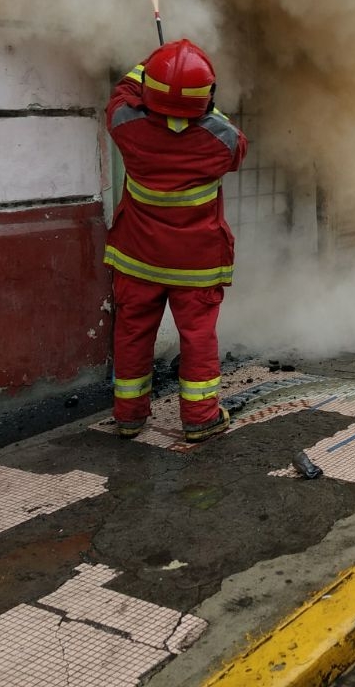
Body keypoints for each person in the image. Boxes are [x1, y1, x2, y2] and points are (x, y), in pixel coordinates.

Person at [104, 39, 248, 443]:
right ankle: (201, 418)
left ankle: (129, 417)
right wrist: (199, 105)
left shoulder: (125, 125)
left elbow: (122, 92)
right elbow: (236, 142)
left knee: (132, 333)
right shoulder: (221, 141)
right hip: (196, 266)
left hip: (137, 260)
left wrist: (151, 64)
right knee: (198, 337)